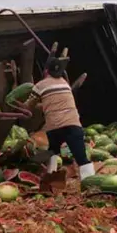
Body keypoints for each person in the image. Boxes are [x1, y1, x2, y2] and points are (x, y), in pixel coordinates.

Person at [28, 47, 94, 179]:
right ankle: (91, 185)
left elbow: (30, 106)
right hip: (74, 124)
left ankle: (50, 176)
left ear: (46, 71)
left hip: (55, 127)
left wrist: (19, 105)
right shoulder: (65, 83)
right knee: (81, 158)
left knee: (53, 151)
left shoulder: (40, 85)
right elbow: (53, 102)